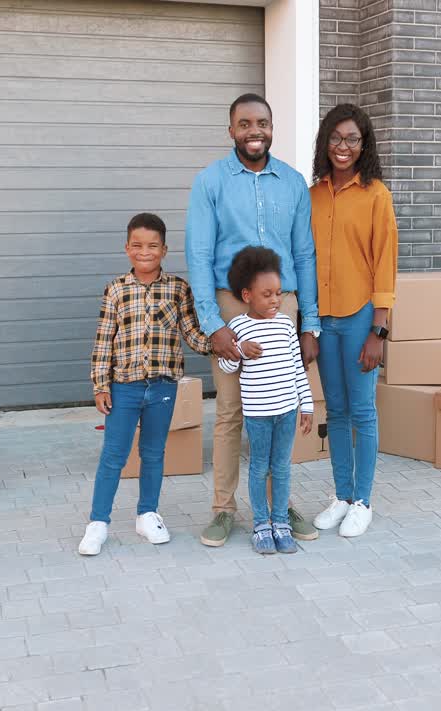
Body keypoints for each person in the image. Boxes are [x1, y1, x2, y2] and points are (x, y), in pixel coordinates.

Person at [186, 93, 322, 547]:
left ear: (272, 126)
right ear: (231, 130)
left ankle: (276, 506)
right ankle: (225, 510)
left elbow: (304, 254)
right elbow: (199, 255)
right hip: (230, 305)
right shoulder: (210, 182)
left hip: (282, 304)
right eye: (244, 124)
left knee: (282, 406)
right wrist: (213, 324)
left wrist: (309, 323)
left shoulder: (294, 183)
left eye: (261, 122)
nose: (254, 131)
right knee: (231, 410)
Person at [78, 213, 212, 555]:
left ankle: (147, 514)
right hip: (124, 386)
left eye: (153, 246)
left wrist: (221, 342)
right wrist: (100, 385)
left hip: (163, 387)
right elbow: (103, 340)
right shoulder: (116, 289)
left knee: (153, 453)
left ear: (164, 249)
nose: (145, 252)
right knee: (114, 455)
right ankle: (98, 522)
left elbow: (192, 334)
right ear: (127, 248)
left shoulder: (179, 289)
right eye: (137, 245)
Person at [308, 103, 398, 538]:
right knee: (337, 409)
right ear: (326, 141)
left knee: (363, 411)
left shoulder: (376, 194)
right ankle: (341, 495)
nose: (344, 147)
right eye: (336, 138)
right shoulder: (314, 193)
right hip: (324, 318)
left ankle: (363, 500)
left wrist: (379, 330)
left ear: (364, 145)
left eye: (353, 139)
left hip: (361, 315)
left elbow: (385, 263)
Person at [217, 247, 314, 554]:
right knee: (260, 467)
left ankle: (281, 521)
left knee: (282, 466)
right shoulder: (239, 328)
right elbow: (227, 366)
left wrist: (307, 404)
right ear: (247, 295)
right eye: (267, 294)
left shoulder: (286, 325)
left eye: (278, 293)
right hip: (258, 414)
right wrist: (241, 350)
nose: (275, 300)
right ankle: (261, 524)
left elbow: (298, 368)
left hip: (287, 411)